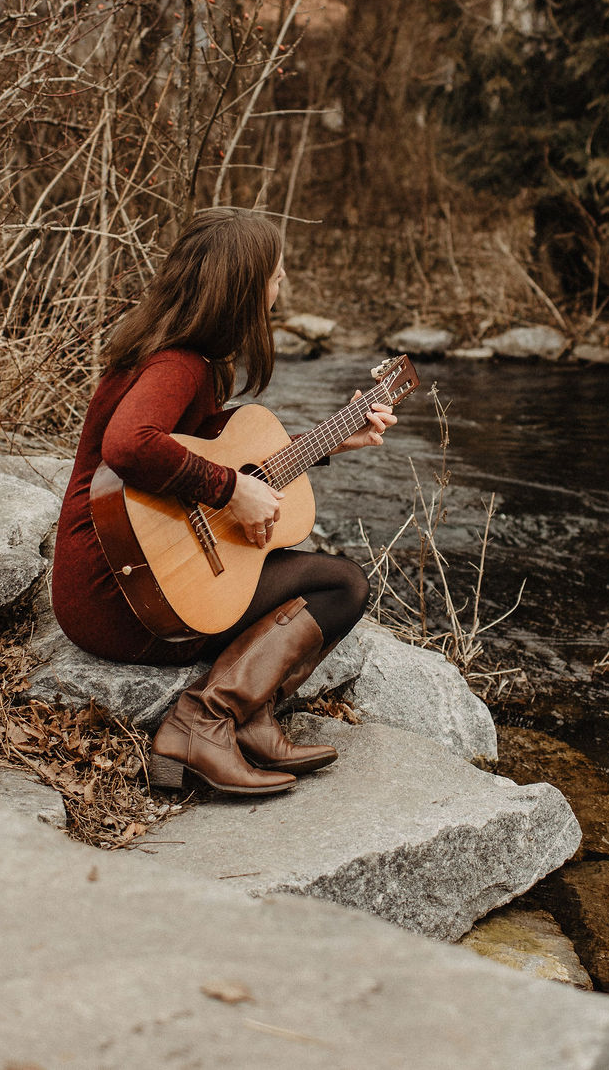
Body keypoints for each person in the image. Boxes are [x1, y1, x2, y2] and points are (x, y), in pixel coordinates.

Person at [49, 208, 396, 796]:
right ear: (243, 288)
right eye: (277, 274)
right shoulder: (179, 364)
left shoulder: (184, 357)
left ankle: (253, 719)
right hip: (121, 598)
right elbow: (130, 445)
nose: (281, 285)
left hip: (121, 578)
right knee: (342, 584)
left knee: (283, 560)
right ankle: (203, 721)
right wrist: (231, 491)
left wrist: (332, 439)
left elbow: (223, 452)